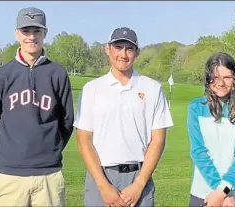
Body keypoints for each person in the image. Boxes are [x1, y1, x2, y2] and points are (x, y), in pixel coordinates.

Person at [0, 7, 74, 207]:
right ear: (17, 34)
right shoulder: (2, 75)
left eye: (37, 31)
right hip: (9, 175)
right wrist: (6, 153)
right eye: (26, 31)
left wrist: (51, 149)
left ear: (45, 33)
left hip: (49, 174)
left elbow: (67, 121)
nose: (31, 37)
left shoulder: (57, 73)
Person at [74, 27, 174, 207]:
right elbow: (84, 141)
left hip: (139, 176)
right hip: (101, 176)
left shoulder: (152, 88)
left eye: (129, 49)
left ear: (137, 53)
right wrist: (103, 186)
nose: (123, 54)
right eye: (118, 47)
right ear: (108, 49)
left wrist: (139, 184)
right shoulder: (92, 89)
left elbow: (158, 140)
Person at [187, 52, 235, 207]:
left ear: (234, 79)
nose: (221, 83)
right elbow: (198, 152)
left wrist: (222, 191)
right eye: (215, 77)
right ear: (208, 79)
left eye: (227, 77)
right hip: (204, 194)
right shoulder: (195, 108)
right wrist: (221, 193)